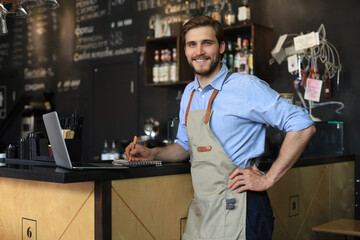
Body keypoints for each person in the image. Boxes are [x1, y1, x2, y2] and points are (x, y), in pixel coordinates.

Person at [125, 16, 316, 240]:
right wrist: (152, 153)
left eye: (207, 43)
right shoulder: (189, 93)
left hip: (242, 210)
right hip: (203, 210)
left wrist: (268, 178)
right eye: (191, 44)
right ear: (185, 51)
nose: (199, 51)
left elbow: (303, 125)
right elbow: (185, 146)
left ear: (222, 47)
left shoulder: (245, 86)